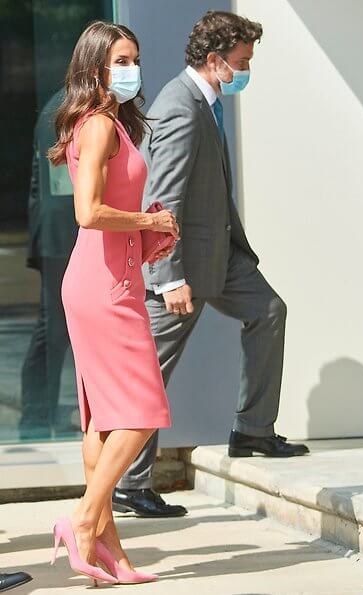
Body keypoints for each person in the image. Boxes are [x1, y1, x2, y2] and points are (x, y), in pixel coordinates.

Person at [113, 10, 309, 518]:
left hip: (221, 255)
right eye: (242, 62)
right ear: (216, 60)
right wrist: (169, 276)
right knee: (151, 371)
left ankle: (253, 431)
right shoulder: (180, 107)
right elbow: (163, 197)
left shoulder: (205, 100)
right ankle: (129, 484)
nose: (246, 71)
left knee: (268, 310)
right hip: (183, 265)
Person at [47, 21, 178, 585]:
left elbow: (109, 213)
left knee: (103, 422)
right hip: (102, 289)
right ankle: (83, 519)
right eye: (121, 61)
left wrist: (148, 236)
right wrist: (148, 220)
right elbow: (88, 212)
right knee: (143, 411)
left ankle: (109, 548)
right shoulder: (99, 124)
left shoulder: (110, 122)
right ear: (95, 67)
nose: (132, 69)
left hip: (110, 279)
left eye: (135, 59)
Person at [20, 89, 78, 441]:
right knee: (53, 329)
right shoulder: (63, 108)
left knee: (55, 329)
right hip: (61, 236)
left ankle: (41, 415)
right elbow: (61, 185)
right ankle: (36, 419)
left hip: (60, 233)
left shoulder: (64, 105)